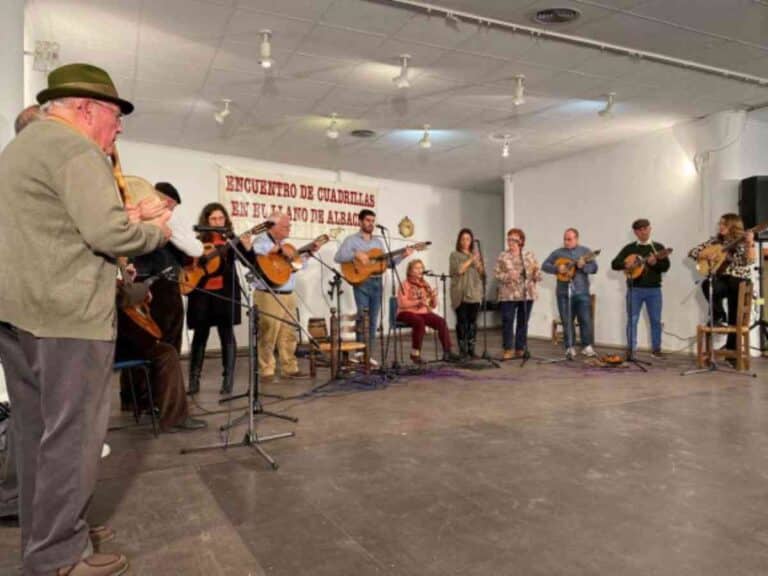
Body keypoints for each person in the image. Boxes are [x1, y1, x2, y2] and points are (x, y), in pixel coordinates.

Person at [0, 63, 170, 576]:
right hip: (67, 319)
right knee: (73, 440)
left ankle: (48, 530)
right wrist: (156, 231)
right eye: (115, 116)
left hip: (19, 314)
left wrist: (124, 218)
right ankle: (57, 557)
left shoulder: (24, 147)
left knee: (35, 437)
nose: (118, 128)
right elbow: (109, 237)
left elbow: (59, 223)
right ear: (85, 108)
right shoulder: (78, 150)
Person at [0, 105, 42, 527]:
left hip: (12, 305)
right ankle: (35, 511)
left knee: (29, 414)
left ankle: (23, 503)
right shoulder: (31, 174)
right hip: (27, 309)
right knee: (38, 418)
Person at [116, 276, 207, 432]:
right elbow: (125, 296)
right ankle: (173, 417)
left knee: (163, 350)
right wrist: (143, 288)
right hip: (113, 345)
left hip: (114, 342)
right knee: (165, 352)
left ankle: (150, 405)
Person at [187, 203, 254, 395]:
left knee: (227, 335)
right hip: (202, 294)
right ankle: (193, 381)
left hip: (225, 294)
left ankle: (228, 381)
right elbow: (188, 264)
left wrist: (247, 249)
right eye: (213, 219)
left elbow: (248, 263)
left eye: (221, 218)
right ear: (206, 221)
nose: (217, 222)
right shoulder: (198, 241)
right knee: (200, 336)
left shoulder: (232, 240)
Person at [132, 182, 203, 353]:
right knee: (168, 340)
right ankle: (165, 378)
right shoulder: (166, 215)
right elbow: (194, 249)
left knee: (140, 338)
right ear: (169, 202)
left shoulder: (135, 215)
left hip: (137, 283)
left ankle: (141, 379)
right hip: (163, 285)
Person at [334, 209, 413, 361]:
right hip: (361, 282)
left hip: (377, 282)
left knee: (373, 319)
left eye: (372, 221)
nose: (371, 223)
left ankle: (368, 354)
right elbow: (338, 257)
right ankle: (358, 352)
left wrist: (403, 255)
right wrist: (354, 254)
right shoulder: (351, 240)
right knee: (363, 317)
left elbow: (387, 263)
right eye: (368, 220)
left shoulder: (378, 242)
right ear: (360, 221)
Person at [251, 211, 320, 381]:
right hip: (269, 293)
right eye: (285, 226)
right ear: (272, 227)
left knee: (289, 333)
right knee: (269, 333)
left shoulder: (287, 246)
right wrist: (278, 249)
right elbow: (257, 251)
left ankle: (289, 367)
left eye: (289, 225)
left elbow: (298, 266)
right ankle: (266, 369)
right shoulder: (261, 241)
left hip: (288, 294)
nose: (289, 229)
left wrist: (308, 254)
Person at [689, 213, 756, 351]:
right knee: (708, 284)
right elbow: (693, 252)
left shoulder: (742, 241)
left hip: (739, 281)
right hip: (723, 279)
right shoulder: (715, 241)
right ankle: (719, 315)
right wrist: (706, 254)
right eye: (720, 224)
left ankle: (732, 349)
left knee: (735, 313)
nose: (720, 226)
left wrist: (750, 243)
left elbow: (750, 261)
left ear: (733, 226)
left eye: (723, 224)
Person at [611, 218, 671, 359]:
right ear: (635, 232)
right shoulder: (630, 248)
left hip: (654, 290)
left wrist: (655, 263)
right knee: (632, 319)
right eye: (640, 230)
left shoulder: (657, 247)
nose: (643, 232)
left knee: (655, 320)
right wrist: (626, 265)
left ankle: (656, 349)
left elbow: (666, 267)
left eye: (646, 228)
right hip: (635, 289)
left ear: (650, 229)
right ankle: (631, 350)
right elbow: (614, 264)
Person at [542, 228, 599, 359]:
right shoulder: (557, 253)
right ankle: (569, 347)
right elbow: (544, 266)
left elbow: (594, 268)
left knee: (585, 319)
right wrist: (558, 268)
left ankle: (587, 347)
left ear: (576, 239)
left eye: (569, 239)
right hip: (563, 292)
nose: (566, 242)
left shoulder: (585, 251)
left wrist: (583, 266)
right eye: (565, 239)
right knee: (567, 320)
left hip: (582, 291)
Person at [396, 260, 460, 363]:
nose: (419, 270)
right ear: (410, 271)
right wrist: (418, 302)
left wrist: (434, 297)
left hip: (423, 313)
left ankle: (447, 352)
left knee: (441, 321)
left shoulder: (425, 284)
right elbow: (402, 303)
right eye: (416, 268)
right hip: (405, 312)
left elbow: (433, 305)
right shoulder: (405, 284)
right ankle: (415, 354)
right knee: (419, 322)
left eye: (421, 268)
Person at [494, 228, 542, 360]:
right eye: (509, 239)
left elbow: (537, 272)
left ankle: (520, 348)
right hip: (508, 294)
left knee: (523, 321)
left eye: (513, 239)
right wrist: (508, 276)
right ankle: (508, 348)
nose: (510, 242)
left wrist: (536, 274)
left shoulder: (528, 255)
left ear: (521, 241)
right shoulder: (503, 256)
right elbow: (497, 274)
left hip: (526, 294)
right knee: (508, 321)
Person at [449, 228, 484, 358]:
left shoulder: (474, 255)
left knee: (472, 321)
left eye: (468, 239)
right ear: (459, 240)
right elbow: (459, 270)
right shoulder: (454, 255)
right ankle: (462, 350)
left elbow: (481, 273)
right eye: (463, 239)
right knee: (462, 321)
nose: (465, 241)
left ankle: (471, 349)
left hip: (474, 292)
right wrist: (471, 259)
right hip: (460, 292)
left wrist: (478, 262)